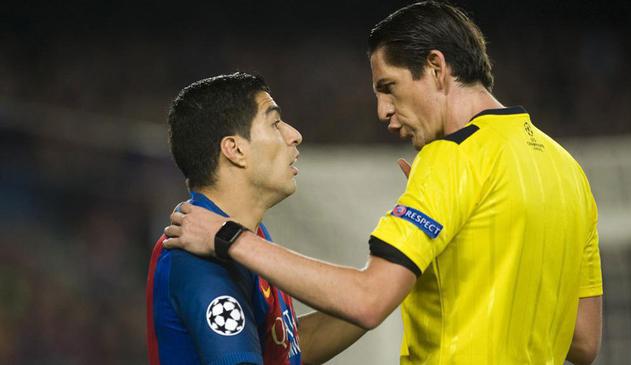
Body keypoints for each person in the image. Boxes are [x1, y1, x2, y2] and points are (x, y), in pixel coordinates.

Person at [162, 2, 603, 364]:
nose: (383, 111)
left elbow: (369, 300)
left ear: (436, 68)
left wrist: (229, 238)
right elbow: (584, 341)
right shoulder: (568, 171)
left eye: (389, 87)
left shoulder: (450, 159)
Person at [146, 73, 365, 365]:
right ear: (235, 150)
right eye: (275, 123)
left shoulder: (243, 236)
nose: (294, 134)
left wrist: (399, 274)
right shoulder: (197, 257)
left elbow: (286, 351)